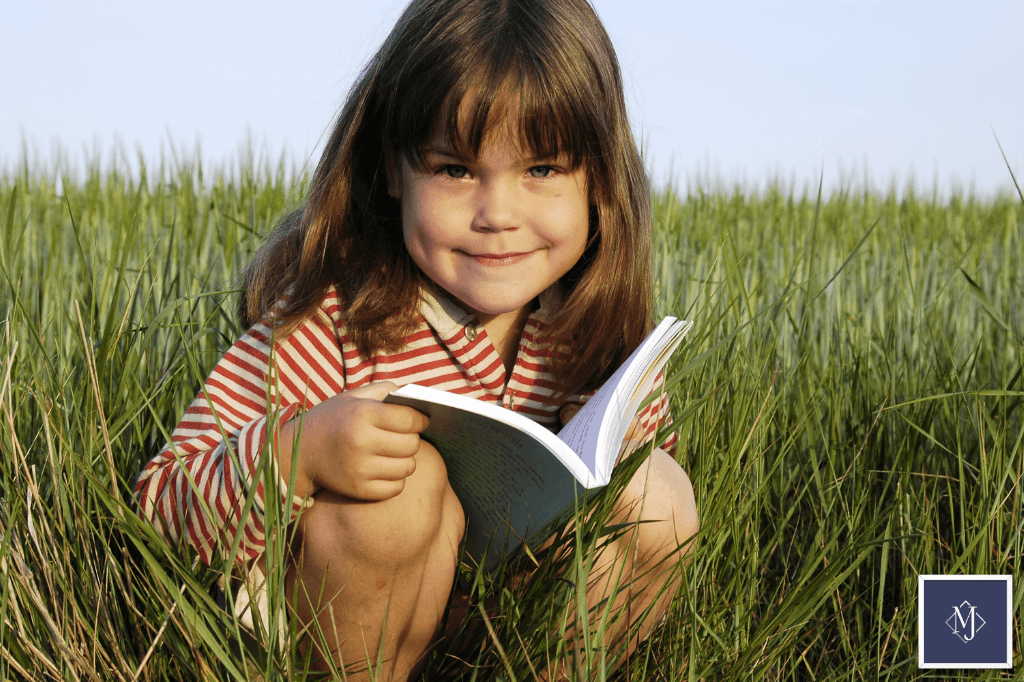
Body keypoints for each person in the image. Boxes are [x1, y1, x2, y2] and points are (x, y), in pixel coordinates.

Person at [135, 0, 698, 678]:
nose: (497, 214)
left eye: (542, 170)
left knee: (656, 493)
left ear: (600, 179)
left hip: (514, 636)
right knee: (399, 493)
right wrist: (299, 454)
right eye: (455, 170)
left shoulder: (602, 336)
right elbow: (160, 509)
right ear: (394, 169)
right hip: (355, 634)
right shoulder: (334, 322)